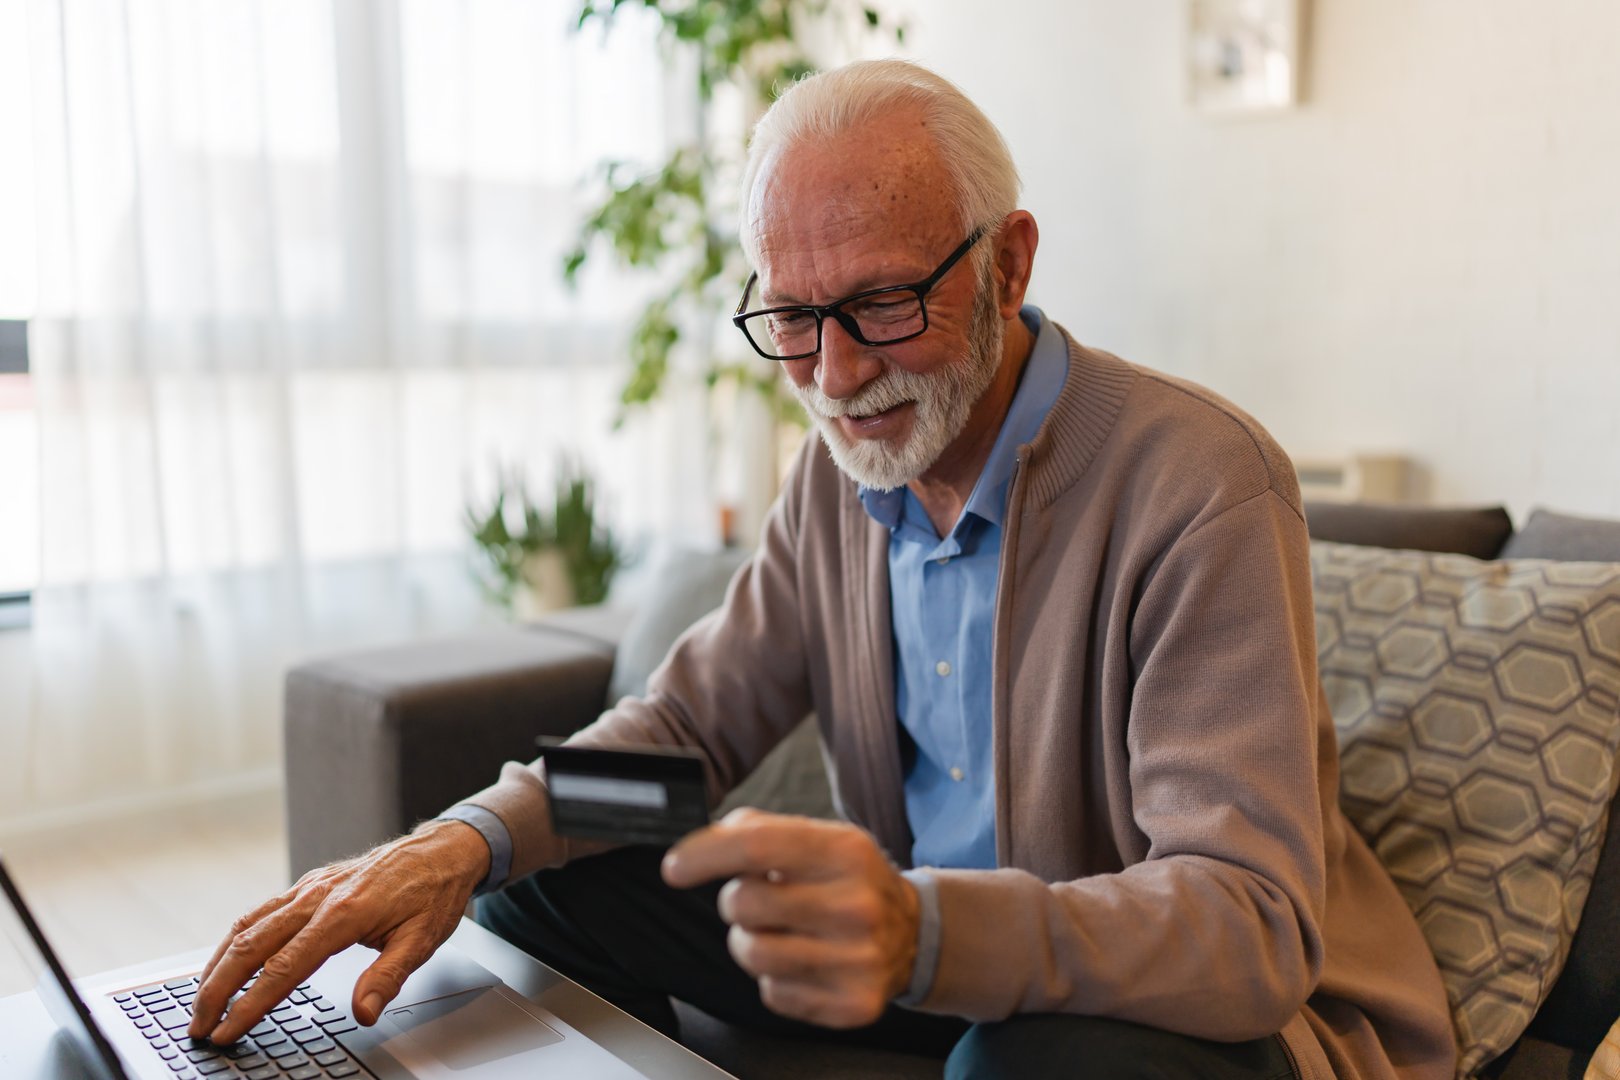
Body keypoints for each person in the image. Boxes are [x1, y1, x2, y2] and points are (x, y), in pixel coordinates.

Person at [190, 60, 1456, 1078]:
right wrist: (464, 840)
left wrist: (928, 932)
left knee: (1027, 1061)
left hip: (1194, 1018)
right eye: (793, 320)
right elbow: (685, 738)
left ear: (1008, 264)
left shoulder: (1198, 484)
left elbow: (1248, 927)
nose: (838, 379)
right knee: (540, 888)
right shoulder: (839, 480)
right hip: (917, 960)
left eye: (884, 305)